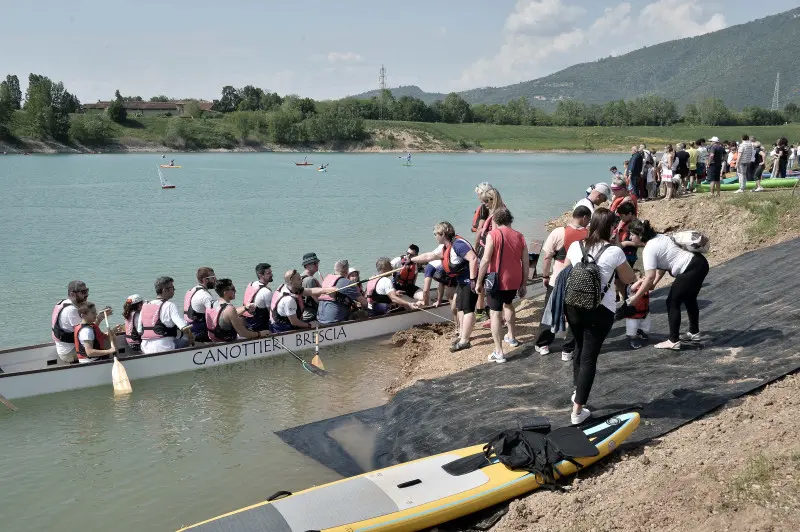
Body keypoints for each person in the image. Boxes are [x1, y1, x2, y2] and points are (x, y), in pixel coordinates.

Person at [562, 208, 635, 425]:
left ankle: (577, 390)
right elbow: (628, 277)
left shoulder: (576, 246)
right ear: (611, 228)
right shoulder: (614, 252)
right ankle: (577, 412)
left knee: (578, 348)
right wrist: (618, 247)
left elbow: (566, 271)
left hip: (573, 306)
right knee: (589, 358)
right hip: (600, 310)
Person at [627, 220, 709, 350]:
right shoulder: (660, 237)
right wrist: (654, 283)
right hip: (700, 263)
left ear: (640, 236)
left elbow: (649, 277)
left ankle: (673, 340)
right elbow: (662, 267)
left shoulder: (648, 249)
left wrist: (636, 298)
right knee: (689, 298)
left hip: (689, 269)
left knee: (672, 302)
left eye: (632, 235)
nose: (630, 237)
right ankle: (694, 333)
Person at [412, 222, 479, 352]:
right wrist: (412, 260)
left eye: (435, 234)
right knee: (460, 306)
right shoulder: (445, 246)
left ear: (443, 234)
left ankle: (465, 341)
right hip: (461, 280)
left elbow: (474, 259)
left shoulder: (458, 245)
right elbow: (428, 256)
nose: (435, 237)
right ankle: (462, 335)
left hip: (470, 279)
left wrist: (473, 280)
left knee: (468, 309)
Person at [535, 205, 590, 359]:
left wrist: (545, 276)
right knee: (575, 316)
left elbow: (547, 257)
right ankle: (568, 349)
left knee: (550, 312)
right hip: (579, 281)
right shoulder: (589, 234)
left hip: (558, 279)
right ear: (585, 218)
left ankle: (543, 344)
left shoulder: (559, 232)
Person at [475, 208, 529, 364]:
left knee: (495, 313)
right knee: (509, 304)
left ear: (495, 221)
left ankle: (499, 352)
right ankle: (512, 337)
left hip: (497, 280)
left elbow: (485, 260)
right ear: (510, 220)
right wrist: (524, 283)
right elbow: (525, 262)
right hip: (514, 279)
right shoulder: (520, 236)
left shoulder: (493, 235)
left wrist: (479, 282)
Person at [51, 280, 115, 364]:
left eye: (87, 290)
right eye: (83, 292)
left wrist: (99, 316)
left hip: (64, 348)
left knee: (105, 335)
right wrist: (99, 318)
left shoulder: (63, 302)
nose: (87, 294)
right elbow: (84, 330)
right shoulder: (71, 310)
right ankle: (107, 366)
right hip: (69, 352)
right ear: (72, 294)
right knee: (108, 341)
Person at [474, 187, 506, 321]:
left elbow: (496, 236)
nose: (484, 204)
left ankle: (490, 314)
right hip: (487, 249)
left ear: (493, 200)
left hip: (488, 252)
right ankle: (488, 312)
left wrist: (476, 248)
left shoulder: (497, 215)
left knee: (485, 282)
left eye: (486, 201)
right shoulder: (499, 211)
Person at [139, 276, 195, 354]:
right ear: (164, 290)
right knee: (186, 339)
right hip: (164, 348)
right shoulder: (169, 305)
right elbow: (183, 327)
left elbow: (139, 330)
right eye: (172, 288)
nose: (174, 290)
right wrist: (191, 337)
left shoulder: (145, 306)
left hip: (145, 348)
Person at [270, 270, 336, 333]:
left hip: (285, 322)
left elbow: (311, 291)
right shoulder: (289, 300)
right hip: (282, 329)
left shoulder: (288, 287)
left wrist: (328, 290)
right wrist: (310, 325)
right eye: (299, 279)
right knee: (316, 323)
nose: (302, 280)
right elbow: (294, 322)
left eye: (301, 278)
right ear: (291, 282)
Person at [317, 260, 370, 325]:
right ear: (346, 270)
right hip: (334, 321)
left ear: (335, 269)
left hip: (320, 319)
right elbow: (364, 303)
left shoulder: (327, 278)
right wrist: (365, 307)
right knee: (364, 313)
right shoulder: (348, 283)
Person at [183, 267, 217, 342]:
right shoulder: (205, 295)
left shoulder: (192, 290)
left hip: (189, 328)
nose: (216, 280)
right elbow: (216, 316)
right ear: (205, 280)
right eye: (213, 278)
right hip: (199, 333)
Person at [242, 263, 274, 332]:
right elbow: (272, 314)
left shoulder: (251, 284)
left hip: (248, 323)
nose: (271, 274)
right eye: (268, 273)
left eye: (271, 272)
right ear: (260, 275)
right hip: (261, 328)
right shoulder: (266, 292)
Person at [623, 272, 651, 350]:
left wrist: (648, 280)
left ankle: (641, 331)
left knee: (646, 325)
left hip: (644, 312)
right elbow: (632, 289)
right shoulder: (630, 286)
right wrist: (639, 281)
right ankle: (632, 338)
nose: (642, 277)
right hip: (633, 313)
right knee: (632, 327)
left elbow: (651, 286)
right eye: (640, 276)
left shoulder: (644, 286)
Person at [300, 252, 323, 321]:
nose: (317, 265)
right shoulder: (310, 280)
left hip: (304, 313)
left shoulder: (300, 277)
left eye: (317, 262)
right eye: (314, 263)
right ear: (307, 265)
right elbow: (317, 300)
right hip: (312, 315)